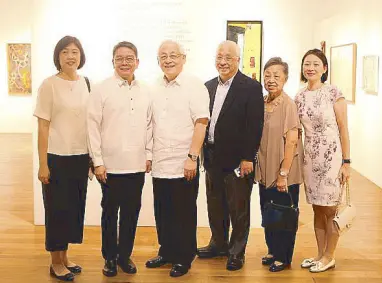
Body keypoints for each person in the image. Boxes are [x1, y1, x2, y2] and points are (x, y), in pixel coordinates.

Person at [196, 40, 264, 271]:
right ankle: (218, 244)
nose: (222, 61)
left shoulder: (251, 87)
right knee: (215, 204)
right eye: (219, 57)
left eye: (228, 57)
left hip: (238, 160)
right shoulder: (207, 86)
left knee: (239, 207)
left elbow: (255, 126)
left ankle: (236, 251)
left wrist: (248, 158)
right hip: (212, 156)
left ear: (238, 60)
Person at [87, 41, 152, 277]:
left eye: (129, 58)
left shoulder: (145, 90)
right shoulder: (101, 89)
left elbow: (149, 125)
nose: (124, 62)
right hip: (110, 165)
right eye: (119, 58)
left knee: (131, 212)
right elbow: (92, 126)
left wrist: (149, 155)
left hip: (136, 164)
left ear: (137, 61)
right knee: (109, 212)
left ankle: (125, 255)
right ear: (112, 61)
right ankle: (110, 258)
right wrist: (98, 161)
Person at [145, 40, 210, 277]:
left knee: (183, 211)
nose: (168, 60)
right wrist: (149, 154)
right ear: (158, 60)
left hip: (185, 161)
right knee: (162, 209)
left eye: (173, 55)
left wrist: (192, 157)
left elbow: (201, 122)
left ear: (183, 58)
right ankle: (167, 251)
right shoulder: (153, 86)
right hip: (161, 160)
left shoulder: (194, 85)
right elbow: (150, 123)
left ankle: (184, 256)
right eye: (163, 56)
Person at [34, 36, 90, 281]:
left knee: (73, 209)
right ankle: (55, 262)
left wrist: (91, 157)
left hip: (80, 157)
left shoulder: (86, 83)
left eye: (74, 52)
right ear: (58, 56)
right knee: (56, 210)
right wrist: (43, 163)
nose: (70, 56)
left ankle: (65, 257)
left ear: (81, 56)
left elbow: (90, 123)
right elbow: (43, 126)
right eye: (65, 52)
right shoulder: (49, 84)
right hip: (56, 158)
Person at [295, 49, 351, 273]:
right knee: (317, 209)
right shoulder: (299, 96)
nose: (311, 67)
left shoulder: (333, 92)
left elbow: (344, 128)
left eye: (316, 64)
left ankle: (330, 255)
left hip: (332, 157)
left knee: (331, 210)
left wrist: (346, 162)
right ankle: (320, 254)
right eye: (307, 63)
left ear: (324, 68)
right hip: (310, 157)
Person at [255, 57, 303, 272]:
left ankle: (284, 257)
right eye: (267, 75)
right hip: (266, 169)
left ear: (285, 78)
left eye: (276, 75)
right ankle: (273, 250)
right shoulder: (263, 102)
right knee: (269, 212)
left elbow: (292, 140)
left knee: (284, 214)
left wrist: (283, 173)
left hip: (284, 171)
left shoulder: (288, 104)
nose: (271, 79)